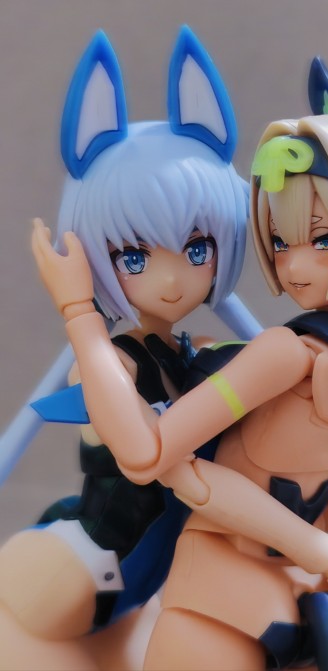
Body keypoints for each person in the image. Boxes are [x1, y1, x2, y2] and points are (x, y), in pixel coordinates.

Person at [31, 54, 328, 670]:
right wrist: (80, 313)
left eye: (325, 238)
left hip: (298, 593)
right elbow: (152, 455)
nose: (294, 265)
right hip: (218, 596)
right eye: (281, 241)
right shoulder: (283, 353)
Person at [0, 26, 259, 671]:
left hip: (138, 587)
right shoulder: (108, 363)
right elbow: (144, 454)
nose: (172, 280)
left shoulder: (200, 353)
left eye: (196, 248)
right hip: (67, 575)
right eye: (136, 257)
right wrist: (78, 311)